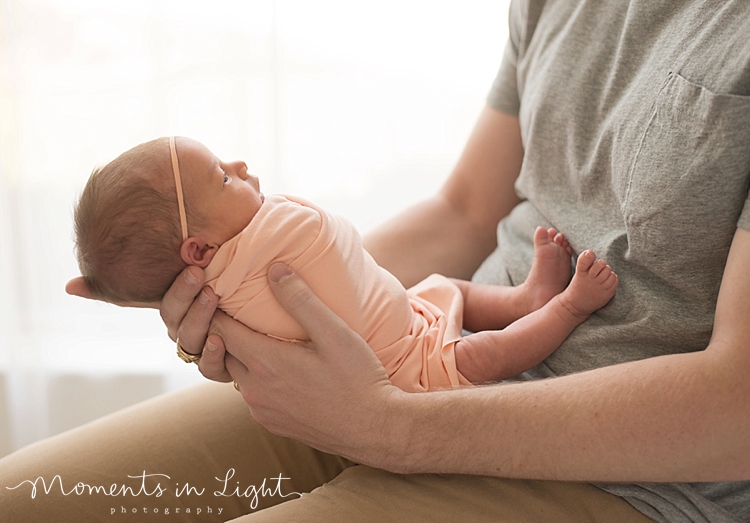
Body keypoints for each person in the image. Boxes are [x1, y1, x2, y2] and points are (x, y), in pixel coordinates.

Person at [2, 1, 749, 522]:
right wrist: (238, 306)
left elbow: (736, 408)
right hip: (401, 358)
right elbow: (463, 211)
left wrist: (393, 426)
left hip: (626, 471)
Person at [73, 135, 617, 392]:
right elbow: (320, 226)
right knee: (484, 355)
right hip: (402, 375)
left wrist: (129, 291)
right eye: (221, 177)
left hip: (398, 323)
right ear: (198, 251)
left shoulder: (211, 285)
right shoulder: (270, 234)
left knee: (444, 287)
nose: (240, 164)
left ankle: (524, 300)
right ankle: (566, 309)